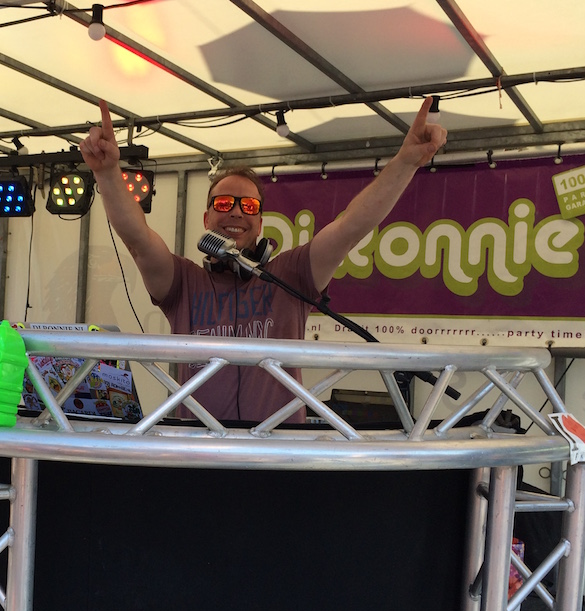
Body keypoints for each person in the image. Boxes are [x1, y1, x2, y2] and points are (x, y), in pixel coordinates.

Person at [80, 97, 446, 423]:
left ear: (260, 223)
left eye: (249, 206)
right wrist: (108, 174)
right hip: (199, 450)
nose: (236, 212)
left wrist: (405, 162)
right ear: (207, 218)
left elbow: (351, 227)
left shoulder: (291, 274)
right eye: (224, 203)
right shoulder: (182, 282)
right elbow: (138, 240)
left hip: (278, 452)